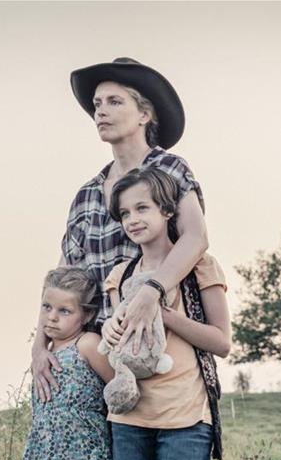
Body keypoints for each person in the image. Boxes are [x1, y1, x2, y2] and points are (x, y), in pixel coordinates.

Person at [31, 57, 210, 407]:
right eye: (97, 104)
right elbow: (62, 281)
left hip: (157, 339)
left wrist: (151, 292)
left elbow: (196, 238)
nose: (101, 111)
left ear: (144, 114)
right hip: (97, 349)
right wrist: (40, 346)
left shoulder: (170, 169)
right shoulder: (87, 193)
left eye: (115, 102)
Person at [102, 167, 232, 460]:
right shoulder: (121, 275)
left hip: (185, 419)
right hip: (130, 419)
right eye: (125, 213)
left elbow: (222, 342)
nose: (132, 220)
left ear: (167, 211)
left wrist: (164, 314)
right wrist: (111, 330)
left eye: (142, 208)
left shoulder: (201, 267)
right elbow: (121, 347)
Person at [16, 267, 129, 460]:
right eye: (47, 307)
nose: (52, 317)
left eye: (64, 311)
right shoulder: (43, 356)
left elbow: (122, 391)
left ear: (86, 316)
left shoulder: (87, 344)